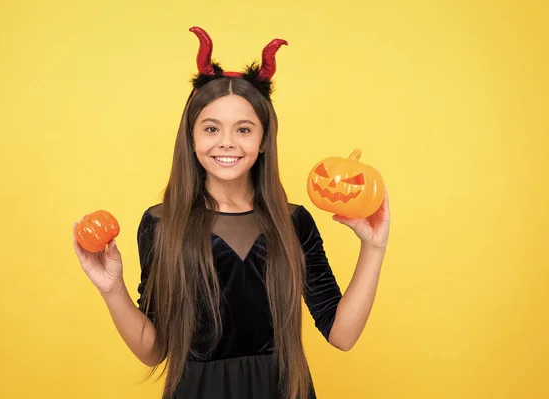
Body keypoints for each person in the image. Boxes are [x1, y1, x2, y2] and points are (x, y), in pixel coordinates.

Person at [72, 26, 390, 399]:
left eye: (243, 129)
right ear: (191, 138)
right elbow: (154, 350)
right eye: (211, 128)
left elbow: (343, 334)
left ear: (264, 140)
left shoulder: (294, 222)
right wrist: (111, 289)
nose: (227, 142)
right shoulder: (161, 223)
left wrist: (374, 247)